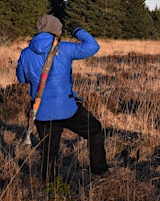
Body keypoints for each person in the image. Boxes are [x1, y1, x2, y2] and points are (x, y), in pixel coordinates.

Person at [16, 14, 109, 182]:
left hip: (41, 111)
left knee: (49, 151)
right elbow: (93, 46)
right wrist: (77, 30)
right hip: (68, 109)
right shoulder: (64, 48)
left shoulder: (25, 53)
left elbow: (22, 79)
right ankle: (99, 171)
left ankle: (49, 186)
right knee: (95, 130)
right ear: (54, 30)